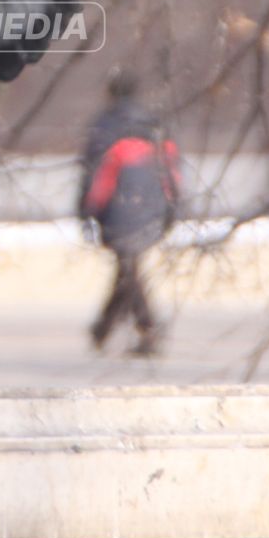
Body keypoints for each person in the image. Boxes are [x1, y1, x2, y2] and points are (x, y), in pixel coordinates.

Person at [77, 69, 180, 356]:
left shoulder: (105, 125)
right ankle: (110, 327)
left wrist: (86, 211)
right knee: (128, 266)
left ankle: (139, 327)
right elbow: (172, 172)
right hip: (153, 207)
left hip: (118, 207)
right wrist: (171, 208)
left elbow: (92, 175)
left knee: (128, 266)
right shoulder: (153, 125)